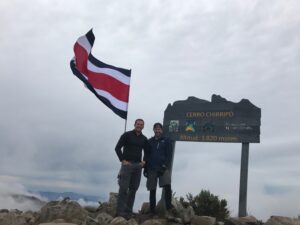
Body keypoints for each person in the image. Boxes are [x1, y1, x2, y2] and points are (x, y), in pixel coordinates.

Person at [115, 119, 149, 219]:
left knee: (133, 189)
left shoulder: (144, 138)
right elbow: (117, 148)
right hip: (127, 165)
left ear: (143, 126)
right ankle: (120, 212)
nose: (139, 126)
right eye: (138, 124)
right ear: (134, 124)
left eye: (141, 125)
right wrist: (123, 160)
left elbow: (147, 151)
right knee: (123, 188)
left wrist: (144, 161)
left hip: (138, 166)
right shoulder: (127, 135)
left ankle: (128, 213)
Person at [144, 122, 174, 216]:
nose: (157, 130)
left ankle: (169, 208)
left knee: (167, 186)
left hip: (163, 168)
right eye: (156, 129)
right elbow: (146, 155)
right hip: (151, 168)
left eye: (159, 129)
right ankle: (152, 210)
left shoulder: (167, 140)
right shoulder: (149, 141)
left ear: (162, 130)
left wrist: (165, 165)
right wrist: (145, 169)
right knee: (152, 189)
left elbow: (169, 155)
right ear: (153, 130)